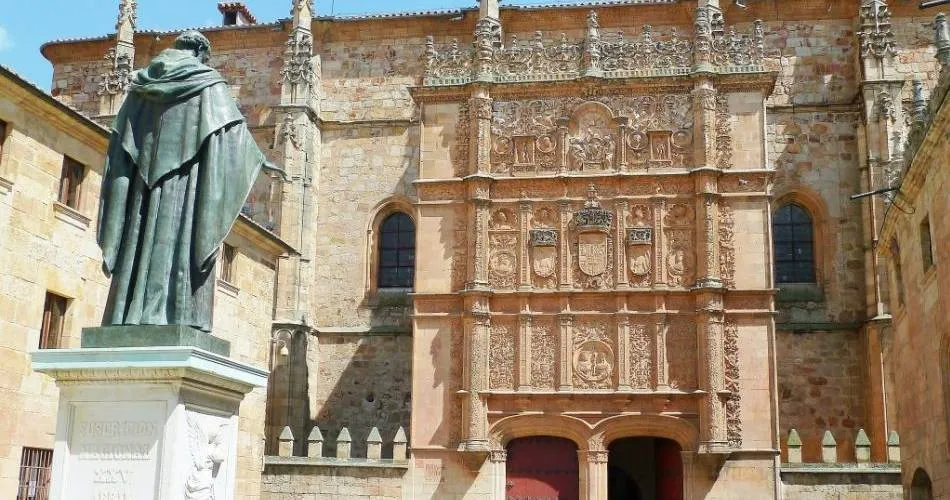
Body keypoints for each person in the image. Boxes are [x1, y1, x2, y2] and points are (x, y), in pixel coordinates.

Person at [98, 31, 279, 332]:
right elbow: (231, 132)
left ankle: (127, 312)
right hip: (185, 189)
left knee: (140, 238)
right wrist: (261, 160)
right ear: (199, 53)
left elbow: (121, 141)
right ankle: (177, 316)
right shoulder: (207, 82)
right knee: (183, 238)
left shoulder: (142, 85)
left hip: (143, 189)